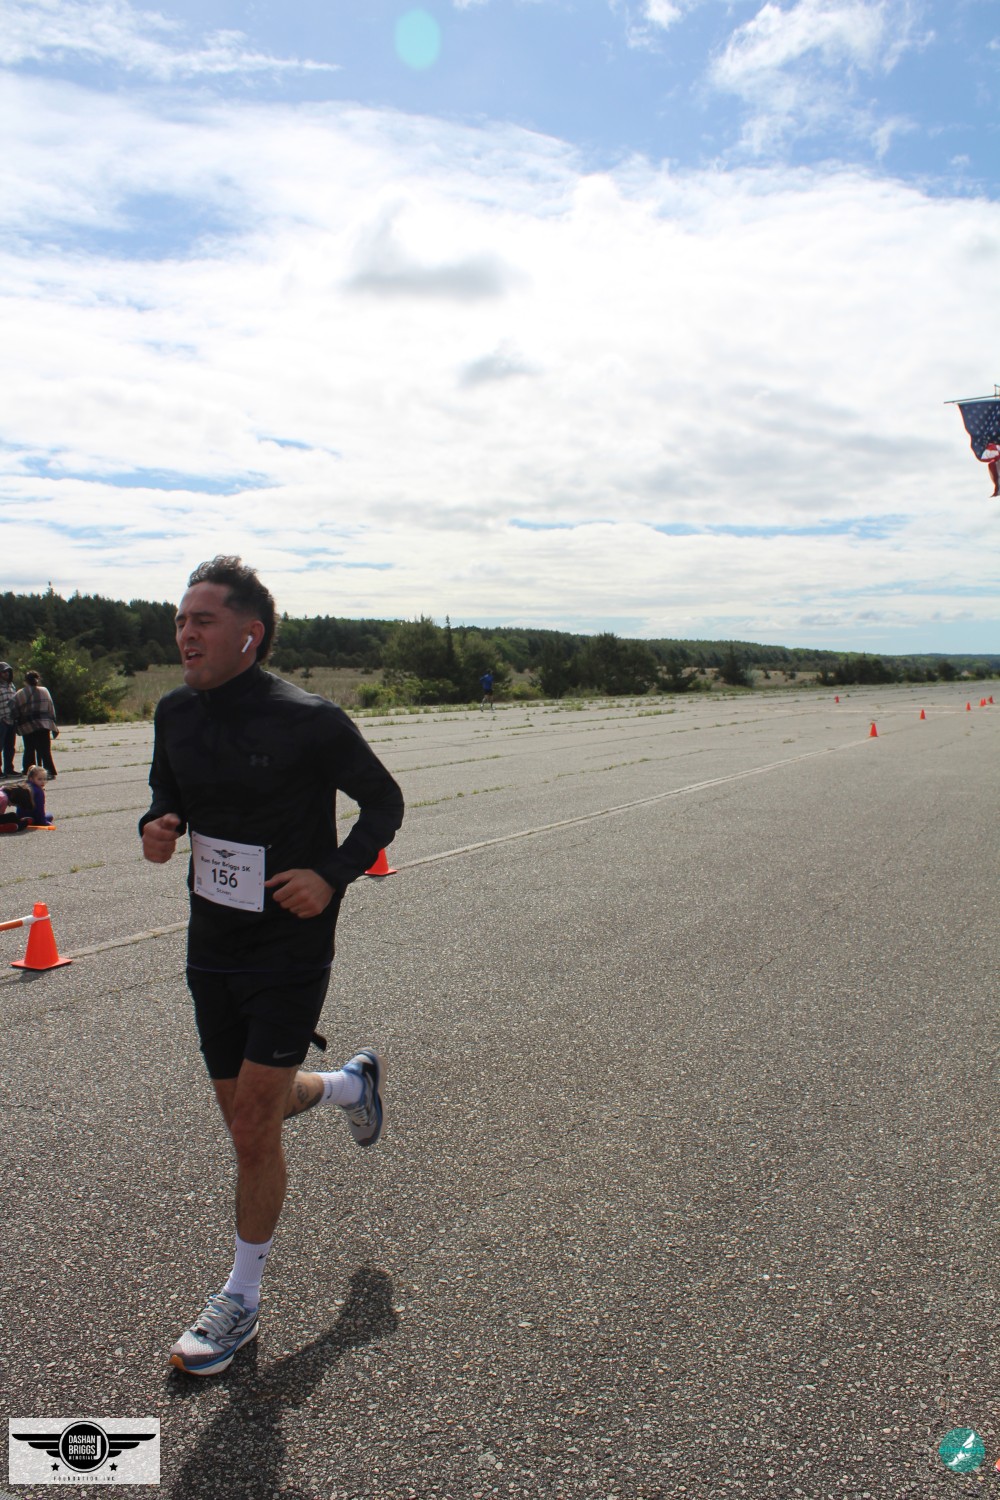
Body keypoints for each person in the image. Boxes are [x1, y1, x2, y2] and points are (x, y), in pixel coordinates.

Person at [140, 556, 404, 1377]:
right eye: (181, 620)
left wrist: (330, 874)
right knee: (252, 1114)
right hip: (212, 943)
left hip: (290, 944)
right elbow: (163, 793)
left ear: (249, 634)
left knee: (252, 1124)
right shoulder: (174, 712)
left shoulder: (309, 720)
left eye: (203, 620)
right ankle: (351, 1085)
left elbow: (384, 803)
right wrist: (158, 824)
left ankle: (241, 1299)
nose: (185, 633)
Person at [16, 670, 58, 777]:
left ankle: (28, 770)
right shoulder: (44, 690)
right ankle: (50, 771)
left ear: (25, 681)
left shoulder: (20, 693)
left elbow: (13, 708)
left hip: (28, 726)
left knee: (29, 749)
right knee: (45, 750)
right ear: (38, 680)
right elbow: (51, 707)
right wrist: (53, 723)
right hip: (44, 724)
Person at [0, 662, 17, 777]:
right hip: (1, 720)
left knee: (10, 747)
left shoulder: (11, 686)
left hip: (11, 720)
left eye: (8, 671)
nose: (6, 673)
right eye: (3, 671)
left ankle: (9, 769)